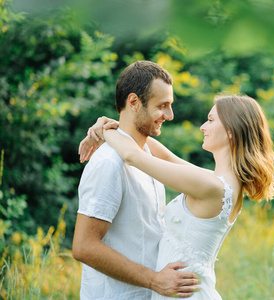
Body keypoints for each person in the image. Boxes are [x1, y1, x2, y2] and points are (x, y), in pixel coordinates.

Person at [82, 94, 274, 299]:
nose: (203, 127)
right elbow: (165, 156)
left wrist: (104, 131)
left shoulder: (212, 186)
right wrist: (120, 127)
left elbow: (133, 156)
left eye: (211, 120)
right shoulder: (218, 182)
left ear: (231, 131)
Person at [72, 60, 200, 299]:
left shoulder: (146, 155)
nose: (169, 115)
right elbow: (83, 246)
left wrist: (110, 128)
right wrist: (154, 280)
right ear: (133, 102)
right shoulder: (109, 163)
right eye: (162, 106)